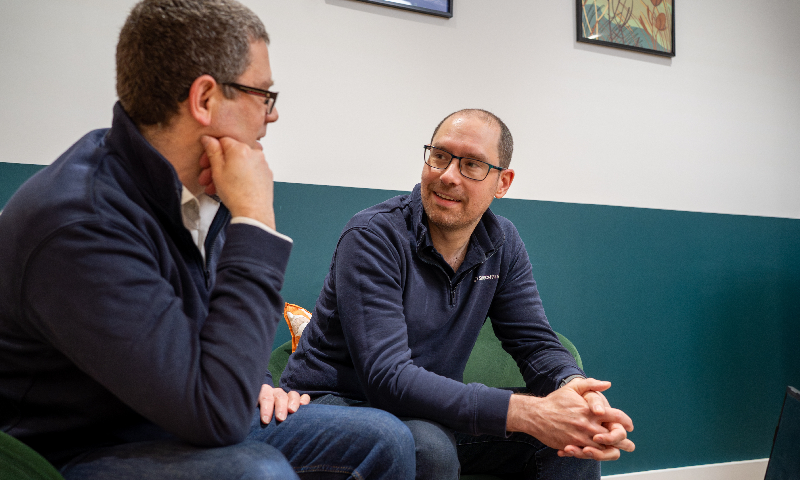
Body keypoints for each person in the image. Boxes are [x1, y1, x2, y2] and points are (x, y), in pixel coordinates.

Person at [0, 1, 415, 479]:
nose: (272, 115)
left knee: (386, 440)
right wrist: (255, 221)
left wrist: (254, 383)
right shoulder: (82, 223)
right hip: (74, 453)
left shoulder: (198, 190)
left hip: (177, 415)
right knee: (256, 472)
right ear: (204, 99)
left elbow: (215, 344)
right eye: (263, 95)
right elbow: (215, 414)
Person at [281, 109, 636, 479]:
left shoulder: (503, 243)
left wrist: (576, 391)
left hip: (424, 410)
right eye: (440, 156)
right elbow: (386, 377)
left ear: (502, 183)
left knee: (572, 438)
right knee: (429, 448)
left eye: (472, 165)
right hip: (336, 405)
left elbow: (534, 341)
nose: (448, 176)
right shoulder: (373, 236)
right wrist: (524, 411)